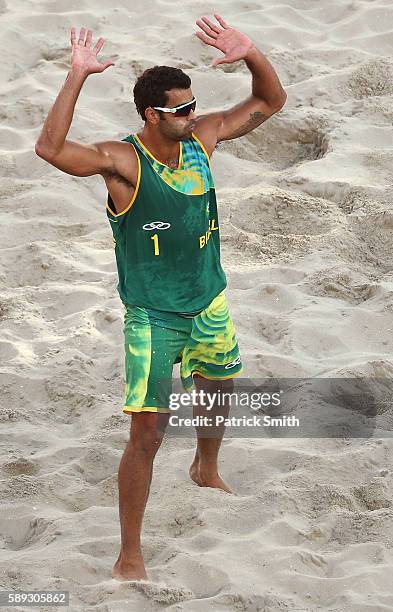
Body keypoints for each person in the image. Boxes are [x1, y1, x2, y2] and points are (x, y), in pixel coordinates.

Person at [35, 13, 287, 581]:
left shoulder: (202, 138)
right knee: (146, 437)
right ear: (151, 114)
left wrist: (251, 53)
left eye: (193, 105)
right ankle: (130, 553)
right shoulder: (122, 162)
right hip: (153, 316)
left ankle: (206, 467)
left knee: (217, 392)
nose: (192, 115)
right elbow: (50, 150)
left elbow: (270, 102)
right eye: (180, 110)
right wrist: (77, 75)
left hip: (208, 301)